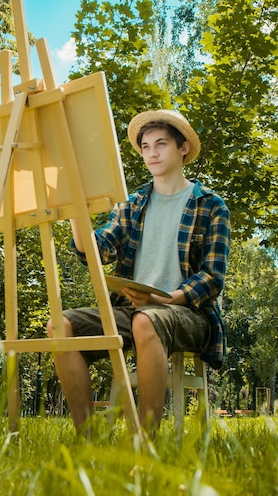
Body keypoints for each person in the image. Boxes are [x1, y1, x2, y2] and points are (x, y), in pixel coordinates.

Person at [47, 109, 230, 435]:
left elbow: (213, 277)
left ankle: (145, 442)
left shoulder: (210, 204)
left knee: (146, 319)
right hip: (131, 310)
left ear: (183, 148)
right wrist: (76, 209)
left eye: (161, 144)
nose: (152, 153)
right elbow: (96, 251)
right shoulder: (133, 203)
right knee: (59, 325)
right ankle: (87, 438)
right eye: (145, 146)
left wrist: (163, 298)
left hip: (189, 314)